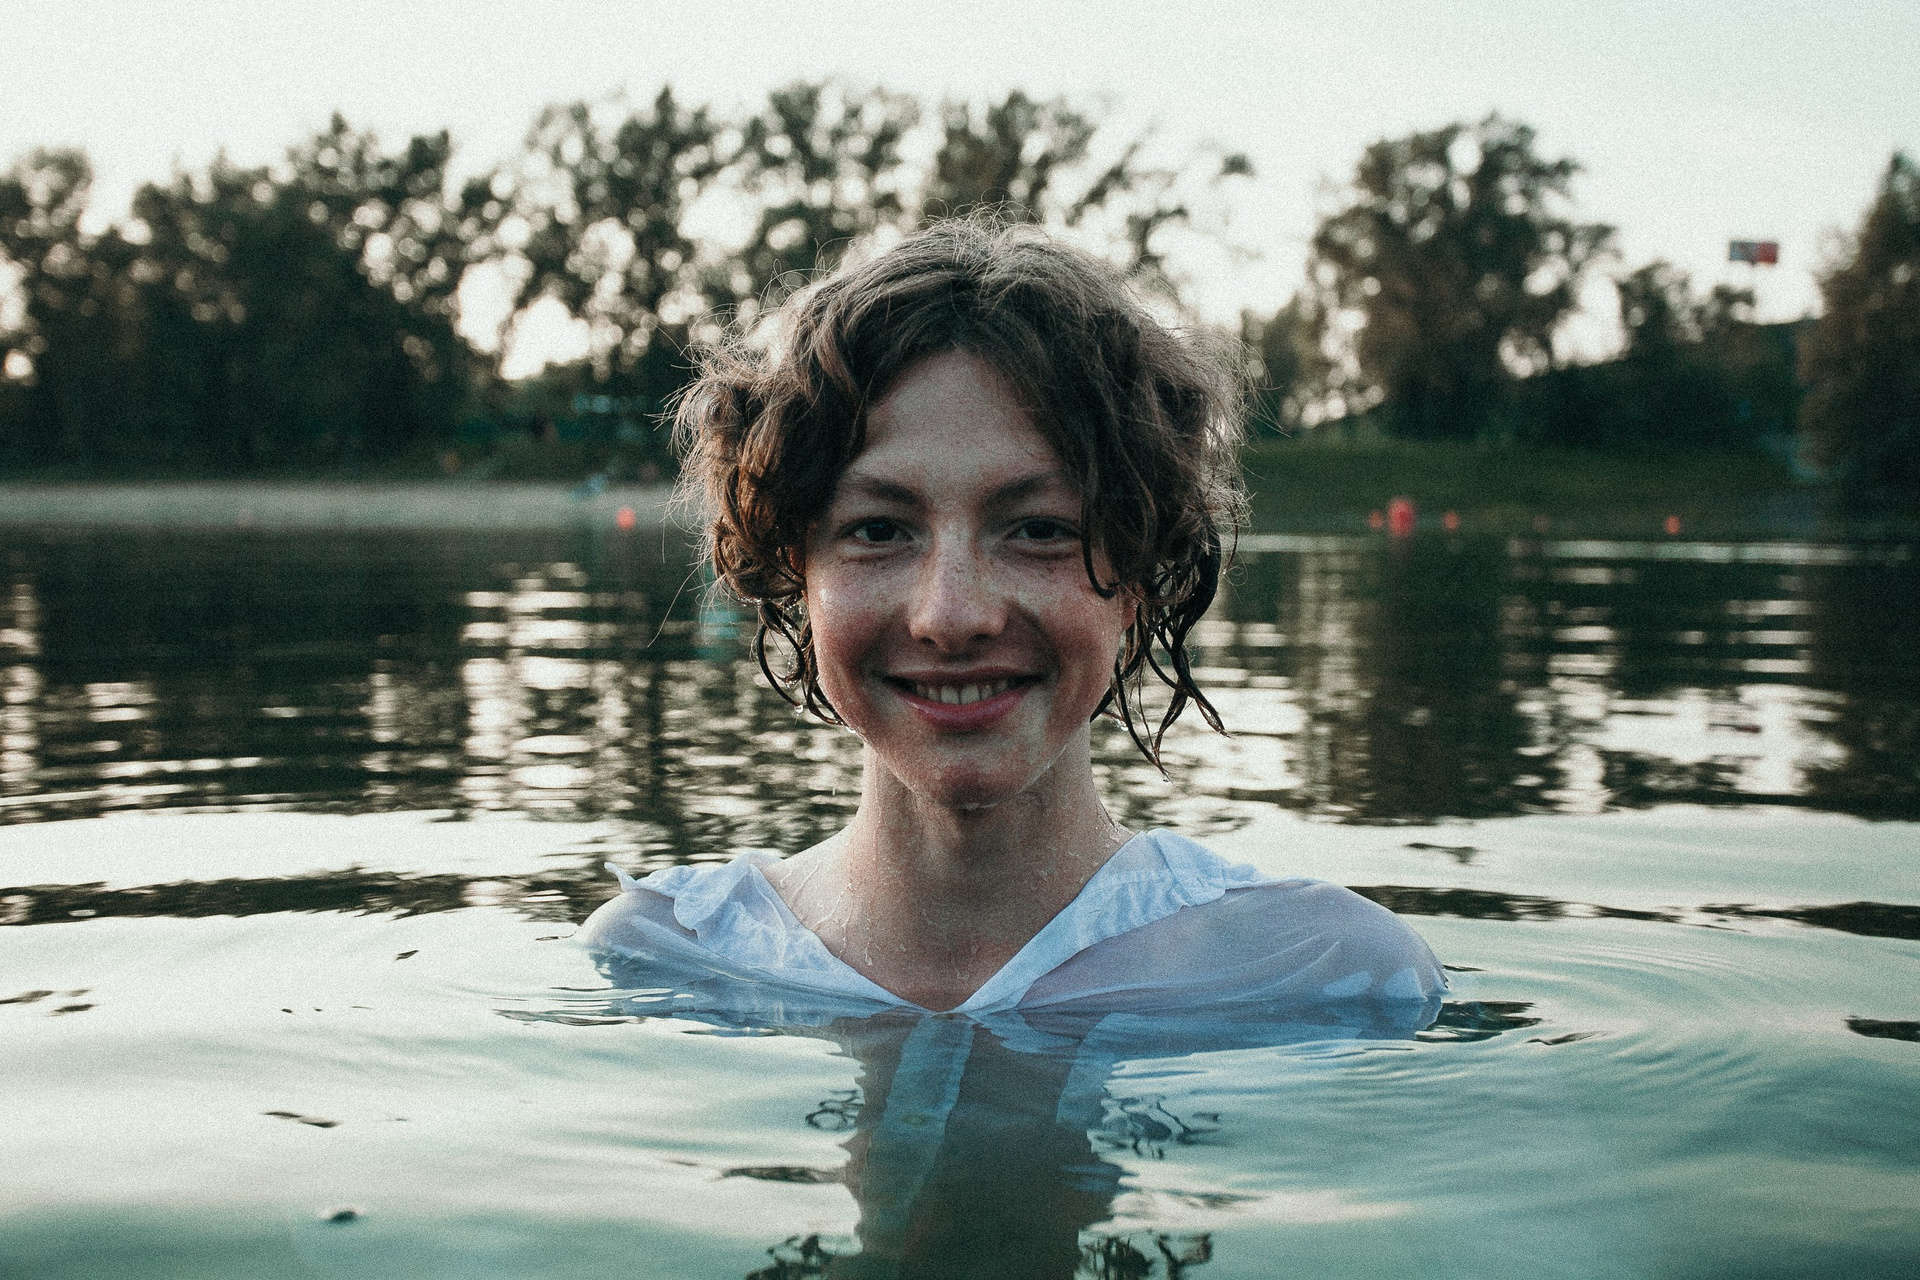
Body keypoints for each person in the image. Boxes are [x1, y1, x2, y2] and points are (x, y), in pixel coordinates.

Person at [581, 219, 1442, 1019]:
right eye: (878, 530)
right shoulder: (668, 955)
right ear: (794, 571)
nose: (951, 616)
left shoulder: (1325, 972)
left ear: (1140, 573)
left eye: (1038, 529)